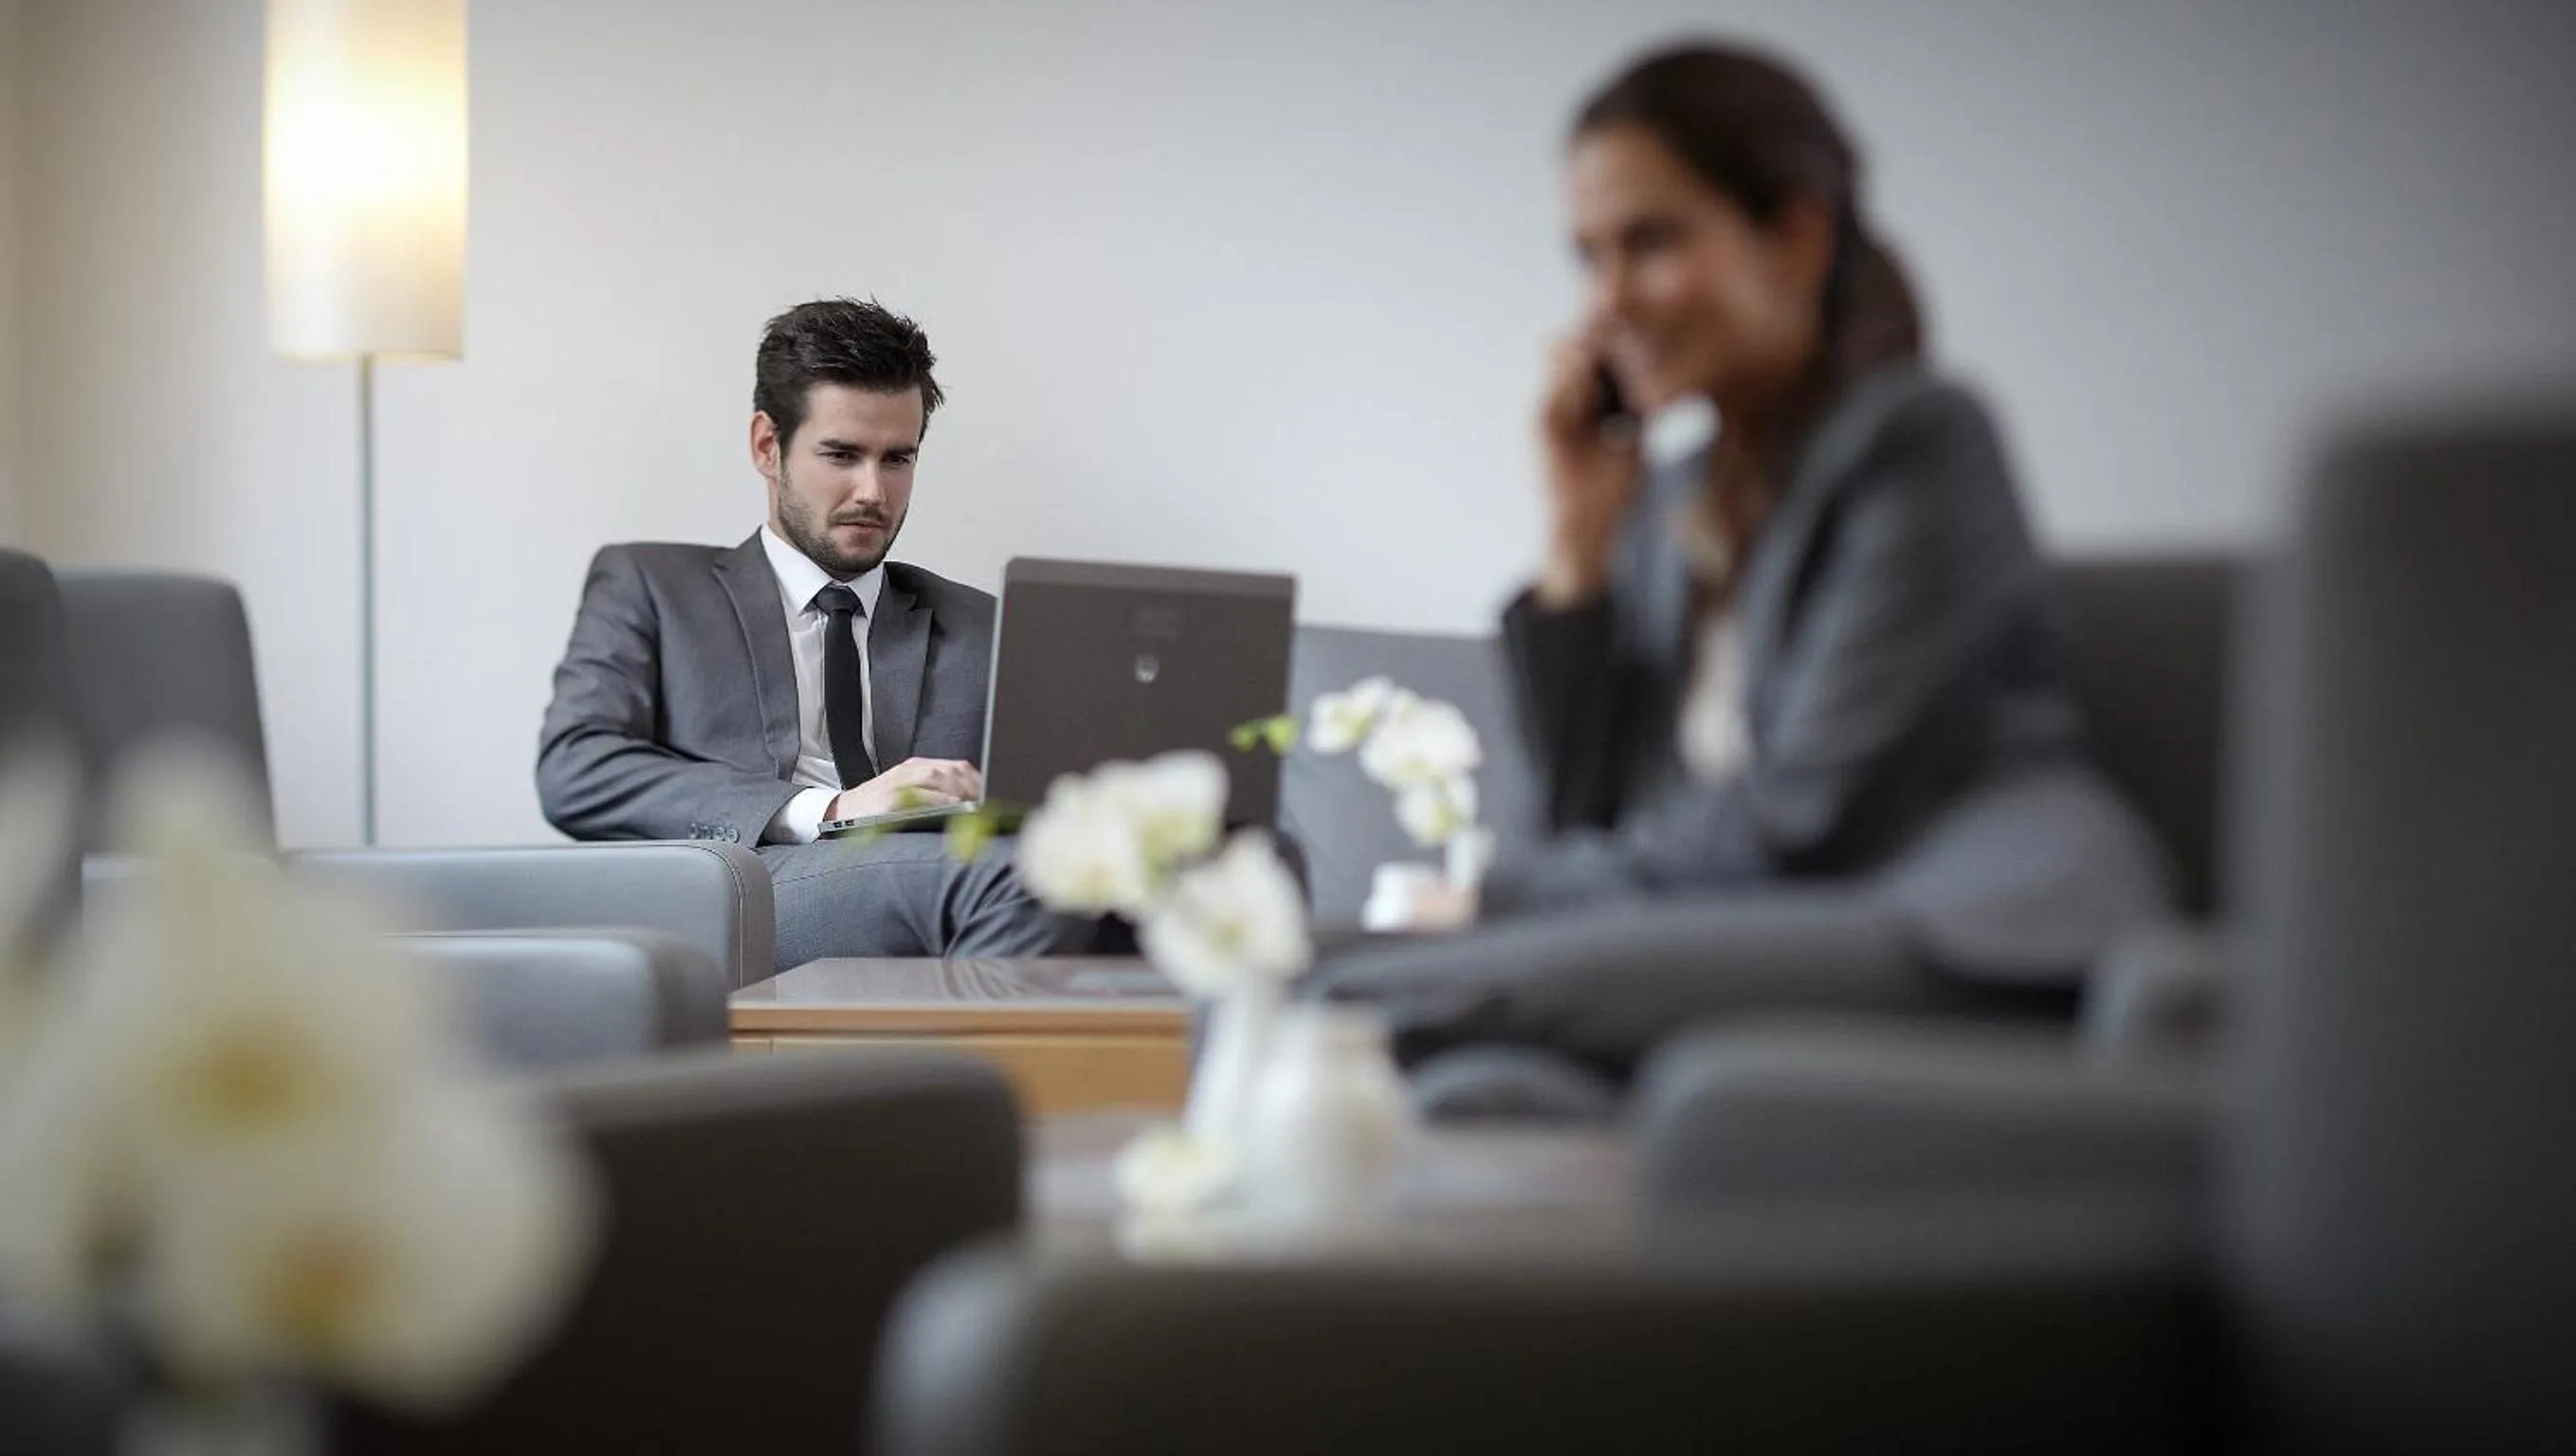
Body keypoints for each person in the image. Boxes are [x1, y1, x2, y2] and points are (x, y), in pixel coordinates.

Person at [1314, 44, 2169, 1088]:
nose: (1606, 303)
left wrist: (1490, 903)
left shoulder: (1922, 442)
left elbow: (1798, 818)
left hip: (1960, 925)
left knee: (1338, 999)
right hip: (1761, 929)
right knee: (1392, 1030)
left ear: (1797, 237)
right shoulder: (1673, 505)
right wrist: (1577, 547)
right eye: (1587, 257)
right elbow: (1584, 827)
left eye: (1651, 242)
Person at [537, 298, 1088, 967]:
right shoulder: (651, 586)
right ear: (767, 446)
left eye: (896, 459)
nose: (872, 492)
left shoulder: (977, 621)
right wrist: (828, 809)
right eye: (842, 455)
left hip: (945, 879)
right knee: (1014, 882)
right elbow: (577, 767)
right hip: (741, 890)